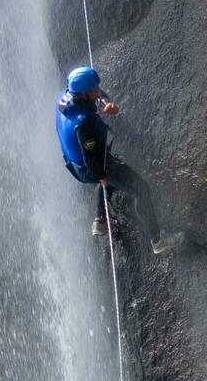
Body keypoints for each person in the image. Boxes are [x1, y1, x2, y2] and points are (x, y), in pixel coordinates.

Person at [55, 65, 183, 255]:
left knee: (108, 174)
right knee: (141, 189)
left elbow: (95, 94)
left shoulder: (66, 99)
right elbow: (92, 160)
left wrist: (104, 103)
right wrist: (103, 176)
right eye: (94, 89)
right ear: (85, 93)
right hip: (89, 166)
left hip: (73, 162)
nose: (98, 90)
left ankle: (100, 220)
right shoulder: (84, 123)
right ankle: (158, 240)